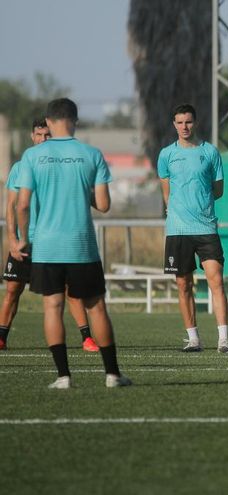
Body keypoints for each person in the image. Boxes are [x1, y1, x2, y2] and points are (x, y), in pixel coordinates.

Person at [14, 98, 131, 388]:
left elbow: (23, 205)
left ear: (49, 122)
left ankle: (63, 376)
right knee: (96, 308)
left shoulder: (33, 156)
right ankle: (112, 374)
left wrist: (22, 239)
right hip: (81, 245)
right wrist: (82, 192)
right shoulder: (92, 154)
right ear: (75, 120)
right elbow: (103, 204)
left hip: (46, 245)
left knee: (52, 307)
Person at [1, 119, 98, 352]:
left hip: (53, 240)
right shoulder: (20, 167)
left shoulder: (60, 165)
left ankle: (87, 338)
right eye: (39, 135)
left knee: (68, 289)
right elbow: (12, 206)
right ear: (32, 136)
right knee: (13, 290)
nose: (43, 139)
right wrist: (12, 240)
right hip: (26, 242)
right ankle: (2, 337)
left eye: (47, 135)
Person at [158, 104, 228, 353]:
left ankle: (223, 340)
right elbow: (166, 193)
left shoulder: (210, 152)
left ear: (196, 122)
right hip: (178, 229)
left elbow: (218, 190)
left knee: (216, 281)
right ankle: (194, 339)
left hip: (206, 228)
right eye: (179, 122)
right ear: (174, 124)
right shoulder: (166, 155)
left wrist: (200, 202)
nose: (184, 127)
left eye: (188, 122)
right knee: (183, 285)